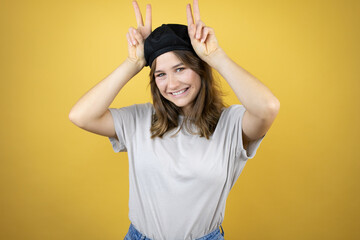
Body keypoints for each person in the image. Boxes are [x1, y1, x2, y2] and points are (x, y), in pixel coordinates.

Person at [69, 0, 280, 239]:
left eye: (180, 69)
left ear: (200, 67)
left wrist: (216, 56)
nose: (172, 84)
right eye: (161, 74)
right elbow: (80, 115)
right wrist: (133, 63)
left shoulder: (231, 124)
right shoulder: (140, 119)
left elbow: (268, 107)